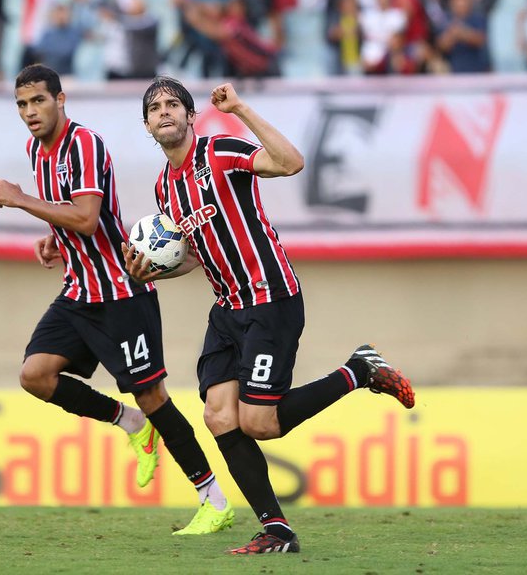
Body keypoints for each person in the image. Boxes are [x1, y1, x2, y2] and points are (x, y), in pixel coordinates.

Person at [125, 76, 415, 554]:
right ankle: (276, 530)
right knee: (219, 416)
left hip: (270, 298)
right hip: (227, 310)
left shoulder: (218, 152)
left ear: (191, 116)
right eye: (155, 108)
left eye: (173, 103)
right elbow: (196, 254)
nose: (164, 111)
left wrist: (240, 109)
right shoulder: (164, 189)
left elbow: (291, 162)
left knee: (261, 423)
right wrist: (151, 273)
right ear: (148, 126)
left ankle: (359, 370)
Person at [0, 64, 234, 536]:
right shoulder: (36, 150)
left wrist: (21, 200)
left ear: (60, 101)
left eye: (38, 101)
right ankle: (130, 422)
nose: (30, 112)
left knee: (154, 393)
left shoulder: (85, 144)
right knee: (34, 375)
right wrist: (53, 238)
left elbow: (85, 217)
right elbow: (70, 221)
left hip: (122, 291)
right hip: (79, 291)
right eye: (21, 104)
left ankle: (212, 500)